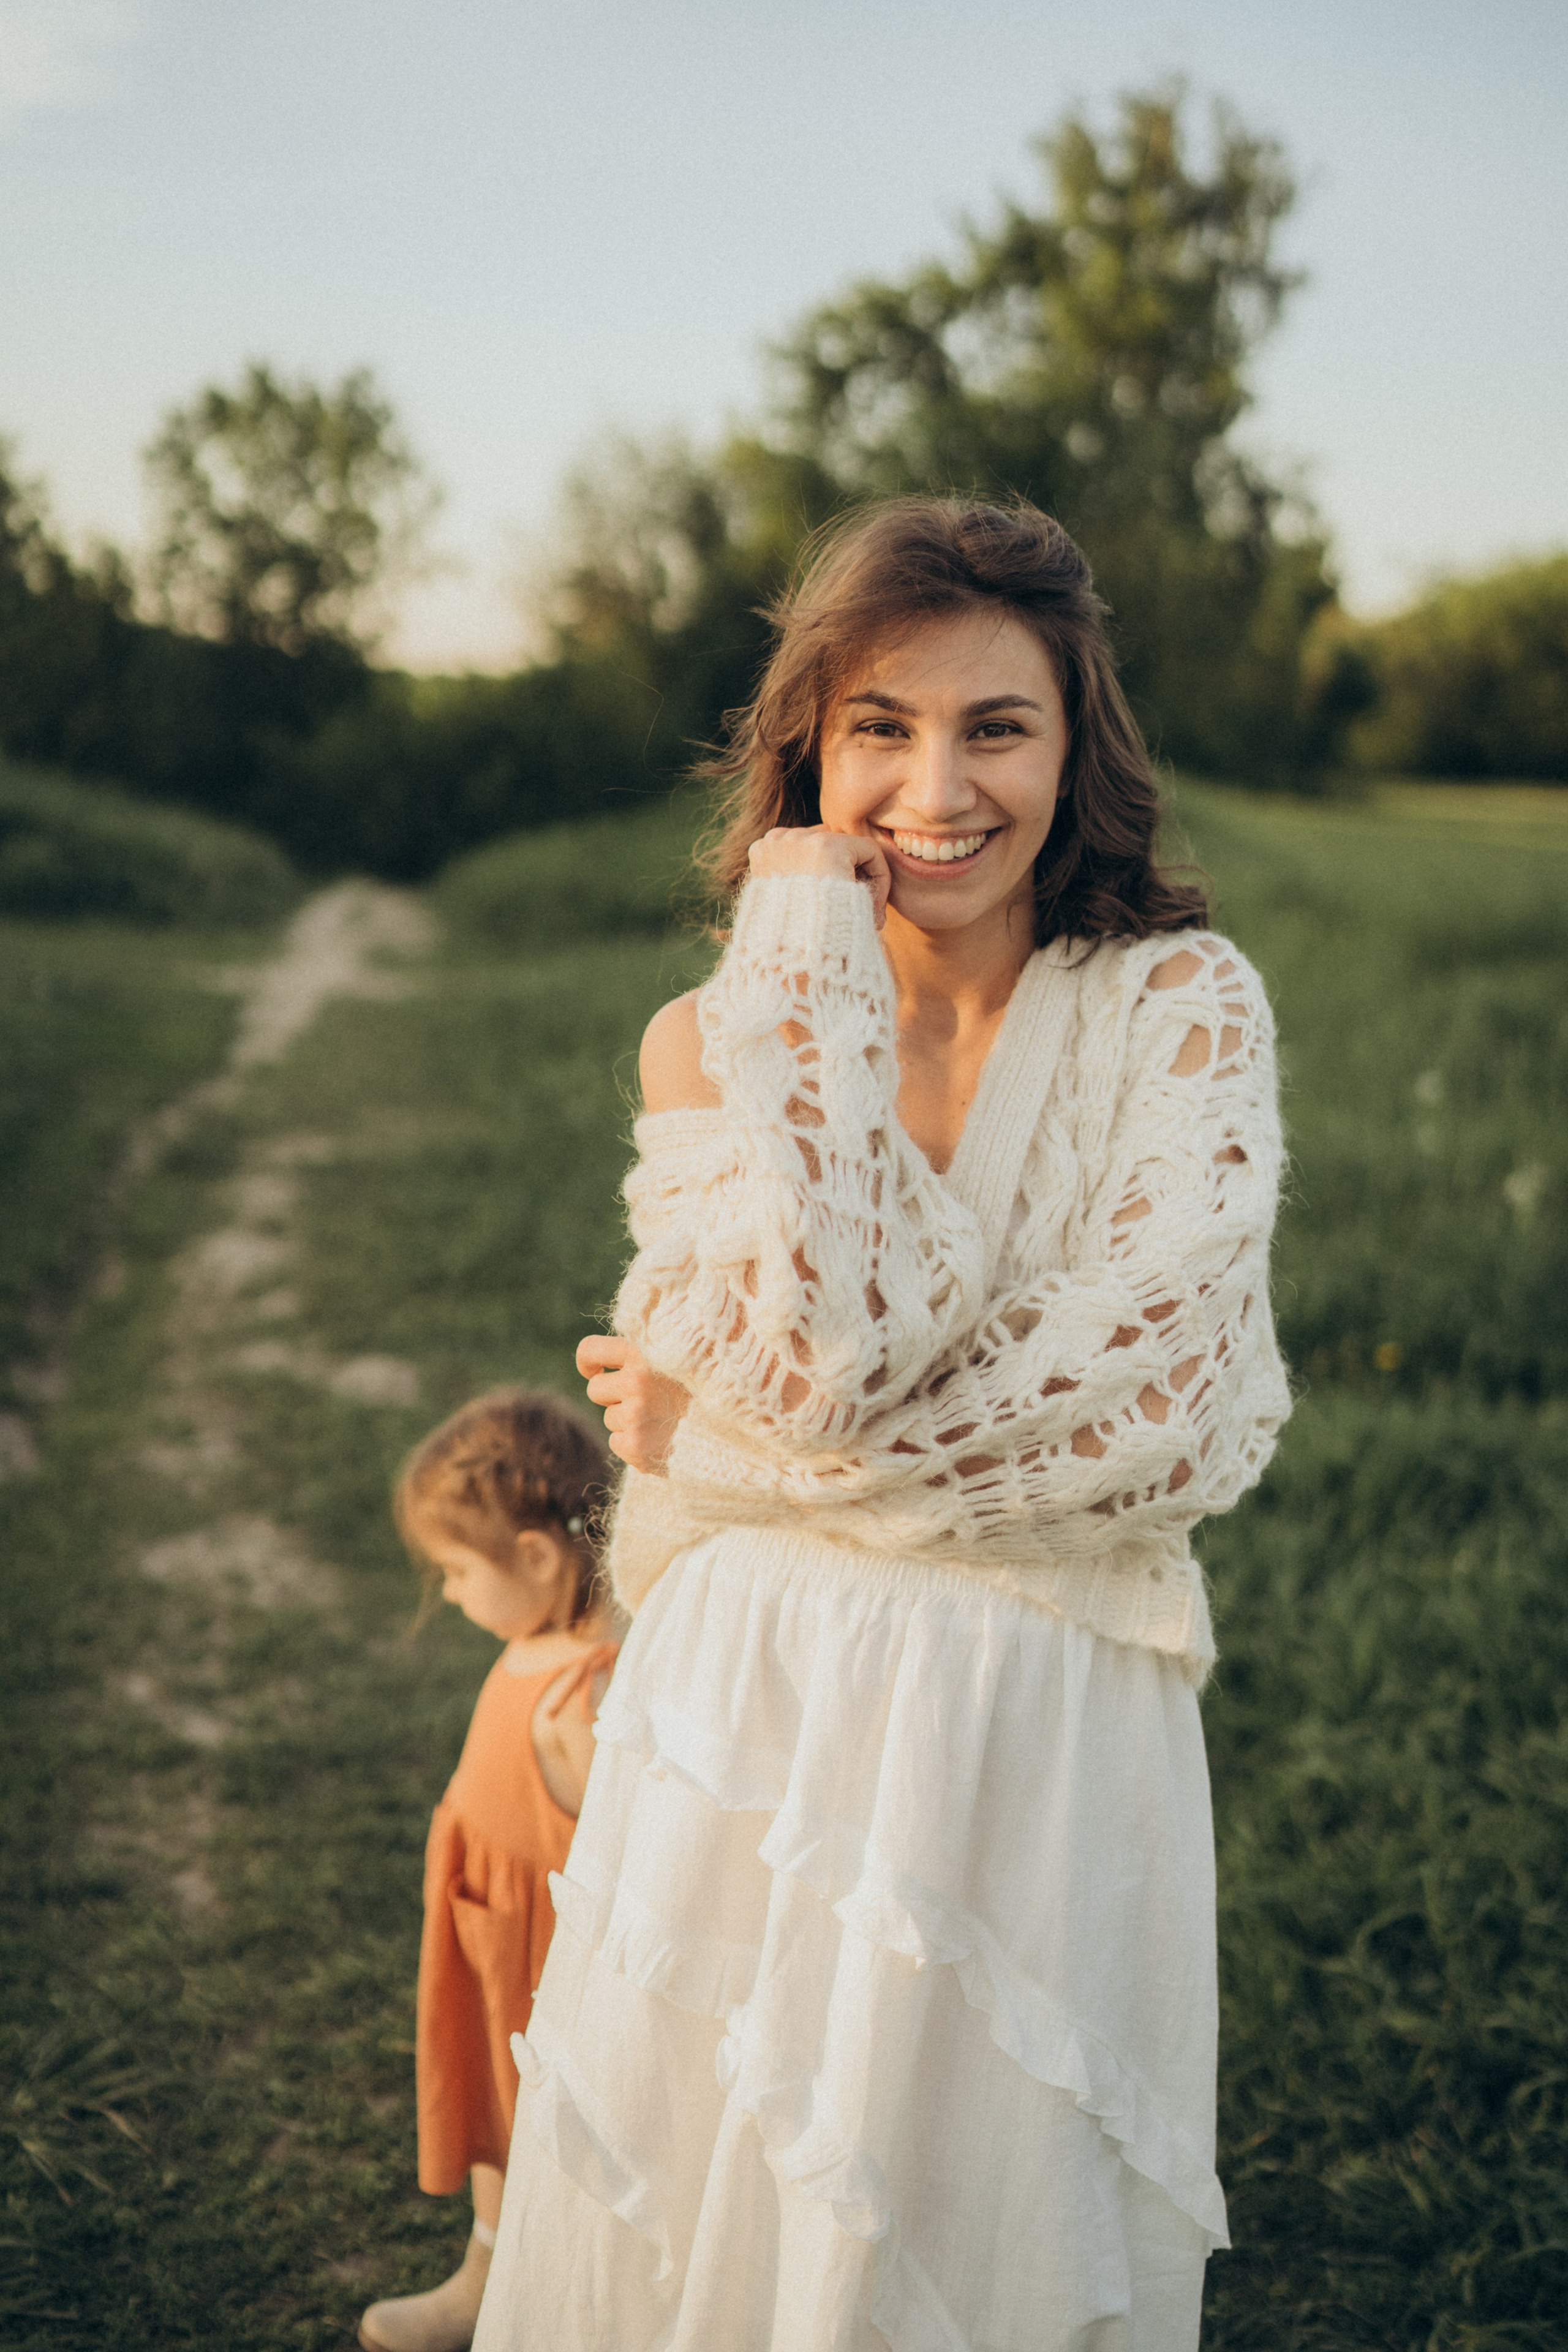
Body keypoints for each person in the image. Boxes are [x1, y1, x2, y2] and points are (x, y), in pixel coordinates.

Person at [474, 497, 1292, 2351]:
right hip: (753, 1718)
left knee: (976, 2247)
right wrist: (812, 970)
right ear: (807, 757)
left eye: (997, 725)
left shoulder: (1181, 1010)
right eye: (881, 730)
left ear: (1076, 746)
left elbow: (1149, 1432)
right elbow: (851, 1345)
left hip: (1043, 1727)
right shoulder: (711, 1038)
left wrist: (728, 1446)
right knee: (721, 2233)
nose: (940, 787)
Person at [359, 1389, 621, 2352]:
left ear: (540, 1556)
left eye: (457, 1571)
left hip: (536, 1955)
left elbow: (619, 1866)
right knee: (494, 2121)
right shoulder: (541, 1634)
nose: (450, 1593)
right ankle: (488, 2271)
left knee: (534, 2121)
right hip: (487, 1925)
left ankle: (537, 2292)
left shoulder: (583, 1698)